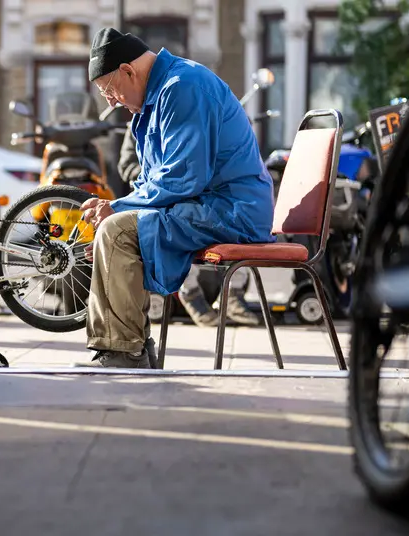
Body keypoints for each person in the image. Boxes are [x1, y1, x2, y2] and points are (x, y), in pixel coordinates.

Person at [78, 28, 274, 368]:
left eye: (109, 91)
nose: (110, 102)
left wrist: (119, 206)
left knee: (118, 231)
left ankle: (124, 352)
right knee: (117, 226)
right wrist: (120, 204)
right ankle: (131, 348)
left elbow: (184, 176)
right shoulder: (161, 92)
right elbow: (155, 177)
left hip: (232, 210)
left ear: (128, 71)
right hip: (211, 205)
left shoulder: (183, 87)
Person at [118, 128, 262, 328]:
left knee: (227, 218)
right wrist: (152, 176)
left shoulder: (205, 115)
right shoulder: (140, 122)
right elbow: (127, 165)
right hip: (161, 193)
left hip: (211, 196)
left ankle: (233, 293)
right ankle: (190, 292)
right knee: (175, 227)